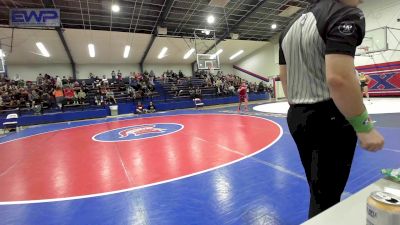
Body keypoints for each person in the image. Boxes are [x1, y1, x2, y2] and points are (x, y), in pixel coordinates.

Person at [279, 0, 384, 219]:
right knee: (326, 197)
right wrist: (363, 126)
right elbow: (339, 78)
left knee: (319, 192)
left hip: (298, 115)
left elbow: (285, 79)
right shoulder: (346, 14)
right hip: (329, 118)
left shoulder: (289, 28)